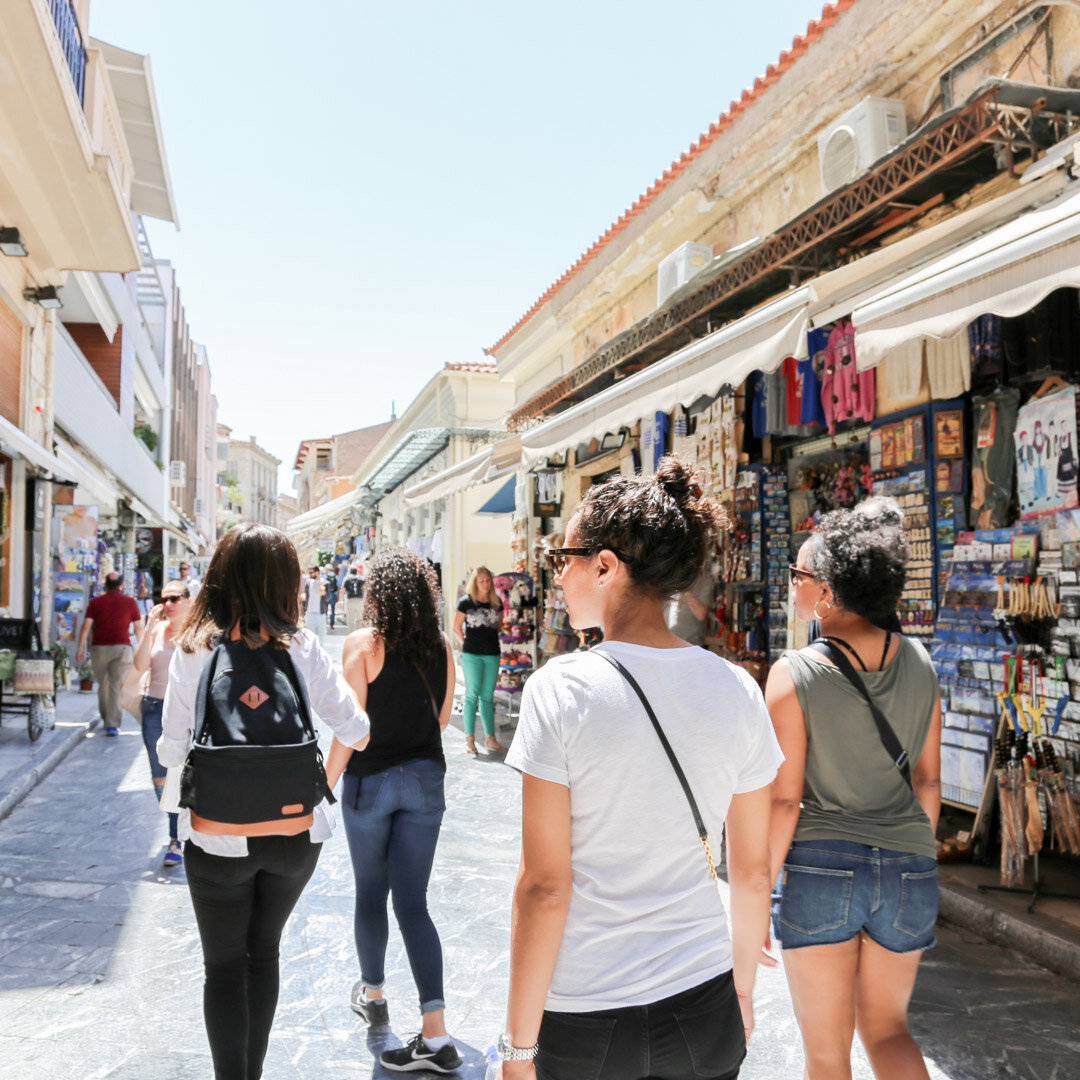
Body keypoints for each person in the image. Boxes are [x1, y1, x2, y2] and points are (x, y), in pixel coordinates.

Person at [496, 458, 781, 1080]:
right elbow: (753, 872)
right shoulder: (737, 687)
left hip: (587, 1015)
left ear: (605, 566)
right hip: (704, 1001)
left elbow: (544, 887)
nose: (559, 572)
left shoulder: (560, 690)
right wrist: (741, 993)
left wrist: (517, 1050)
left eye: (564, 557)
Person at [158, 524, 370, 1080]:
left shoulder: (194, 649)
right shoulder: (300, 647)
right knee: (265, 953)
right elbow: (358, 728)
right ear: (284, 584)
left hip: (215, 832)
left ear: (220, 577)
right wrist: (318, 779)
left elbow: (170, 748)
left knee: (223, 968)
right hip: (294, 834)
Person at [764, 497, 942, 1080]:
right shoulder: (922, 662)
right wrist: (908, 852)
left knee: (826, 1055)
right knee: (889, 1032)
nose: (791, 585)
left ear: (829, 591)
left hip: (821, 866)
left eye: (799, 576)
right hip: (910, 865)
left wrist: (760, 890)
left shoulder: (793, 673)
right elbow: (929, 781)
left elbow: (785, 799)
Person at [326, 547, 460, 1075]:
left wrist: (324, 786)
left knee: (370, 894)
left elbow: (351, 729)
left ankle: (375, 995)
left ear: (377, 592)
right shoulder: (443, 646)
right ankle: (436, 1030)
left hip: (371, 783)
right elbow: (443, 719)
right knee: (414, 903)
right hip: (426, 780)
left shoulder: (362, 645)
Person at [129, 578, 192, 867]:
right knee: (160, 777)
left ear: (189, 600)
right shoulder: (156, 629)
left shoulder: (197, 633)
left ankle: (176, 839)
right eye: (164, 598)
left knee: (178, 774)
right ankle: (178, 824)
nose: (167, 604)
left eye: (175, 598)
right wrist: (146, 628)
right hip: (154, 708)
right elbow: (140, 665)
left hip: (185, 712)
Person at [76, 572, 144, 737]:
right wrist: (143, 649)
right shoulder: (130, 602)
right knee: (115, 686)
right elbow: (138, 628)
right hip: (122, 648)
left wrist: (80, 648)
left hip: (99, 648)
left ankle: (107, 717)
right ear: (122, 585)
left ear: (105, 585)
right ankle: (111, 724)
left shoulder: (96, 602)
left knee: (104, 685)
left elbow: (86, 626)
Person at [453, 566, 505, 755]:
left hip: (492, 653)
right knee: (471, 695)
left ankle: (490, 739)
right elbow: (456, 627)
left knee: (487, 696)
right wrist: (465, 643)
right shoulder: (466, 602)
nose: (485, 583)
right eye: (481, 580)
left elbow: (499, 626)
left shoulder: (497, 603)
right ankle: (470, 740)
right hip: (472, 655)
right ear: (475, 583)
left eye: (488, 580)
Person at [665, 566, 713, 647]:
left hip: (690, 644)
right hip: (666, 643)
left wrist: (686, 589)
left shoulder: (704, 582)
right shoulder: (668, 581)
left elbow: (701, 615)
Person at [301, 565, 328, 644]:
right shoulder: (308, 583)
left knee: (322, 633)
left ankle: (321, 648)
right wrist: (303, 596)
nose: (310, 574)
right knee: (309, 634)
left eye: (311, 573)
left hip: (321, 612)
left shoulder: (325, 583)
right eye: (309, 573)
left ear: (318, 572)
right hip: (310, 612)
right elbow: (306, 594)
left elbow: (328, 598)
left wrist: (324, 593)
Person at [340, 564, 364, 629]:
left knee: (351, 620)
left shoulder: (347, 578)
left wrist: (341, 602)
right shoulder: (361, 578)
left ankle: (351, 636)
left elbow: (342, 590)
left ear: (350, 571)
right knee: (359, 619)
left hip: (350, 600)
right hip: (360, 600)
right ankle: (359, 635)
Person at [324, 564, 340, 630]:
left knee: (325, 610)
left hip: (326, 595)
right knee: (333, 610)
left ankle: (324, 624)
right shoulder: (336, 577)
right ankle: (332, 625)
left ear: (327, 569)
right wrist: (338, 596)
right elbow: (338, 587)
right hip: (333, 595)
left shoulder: (325, 576)